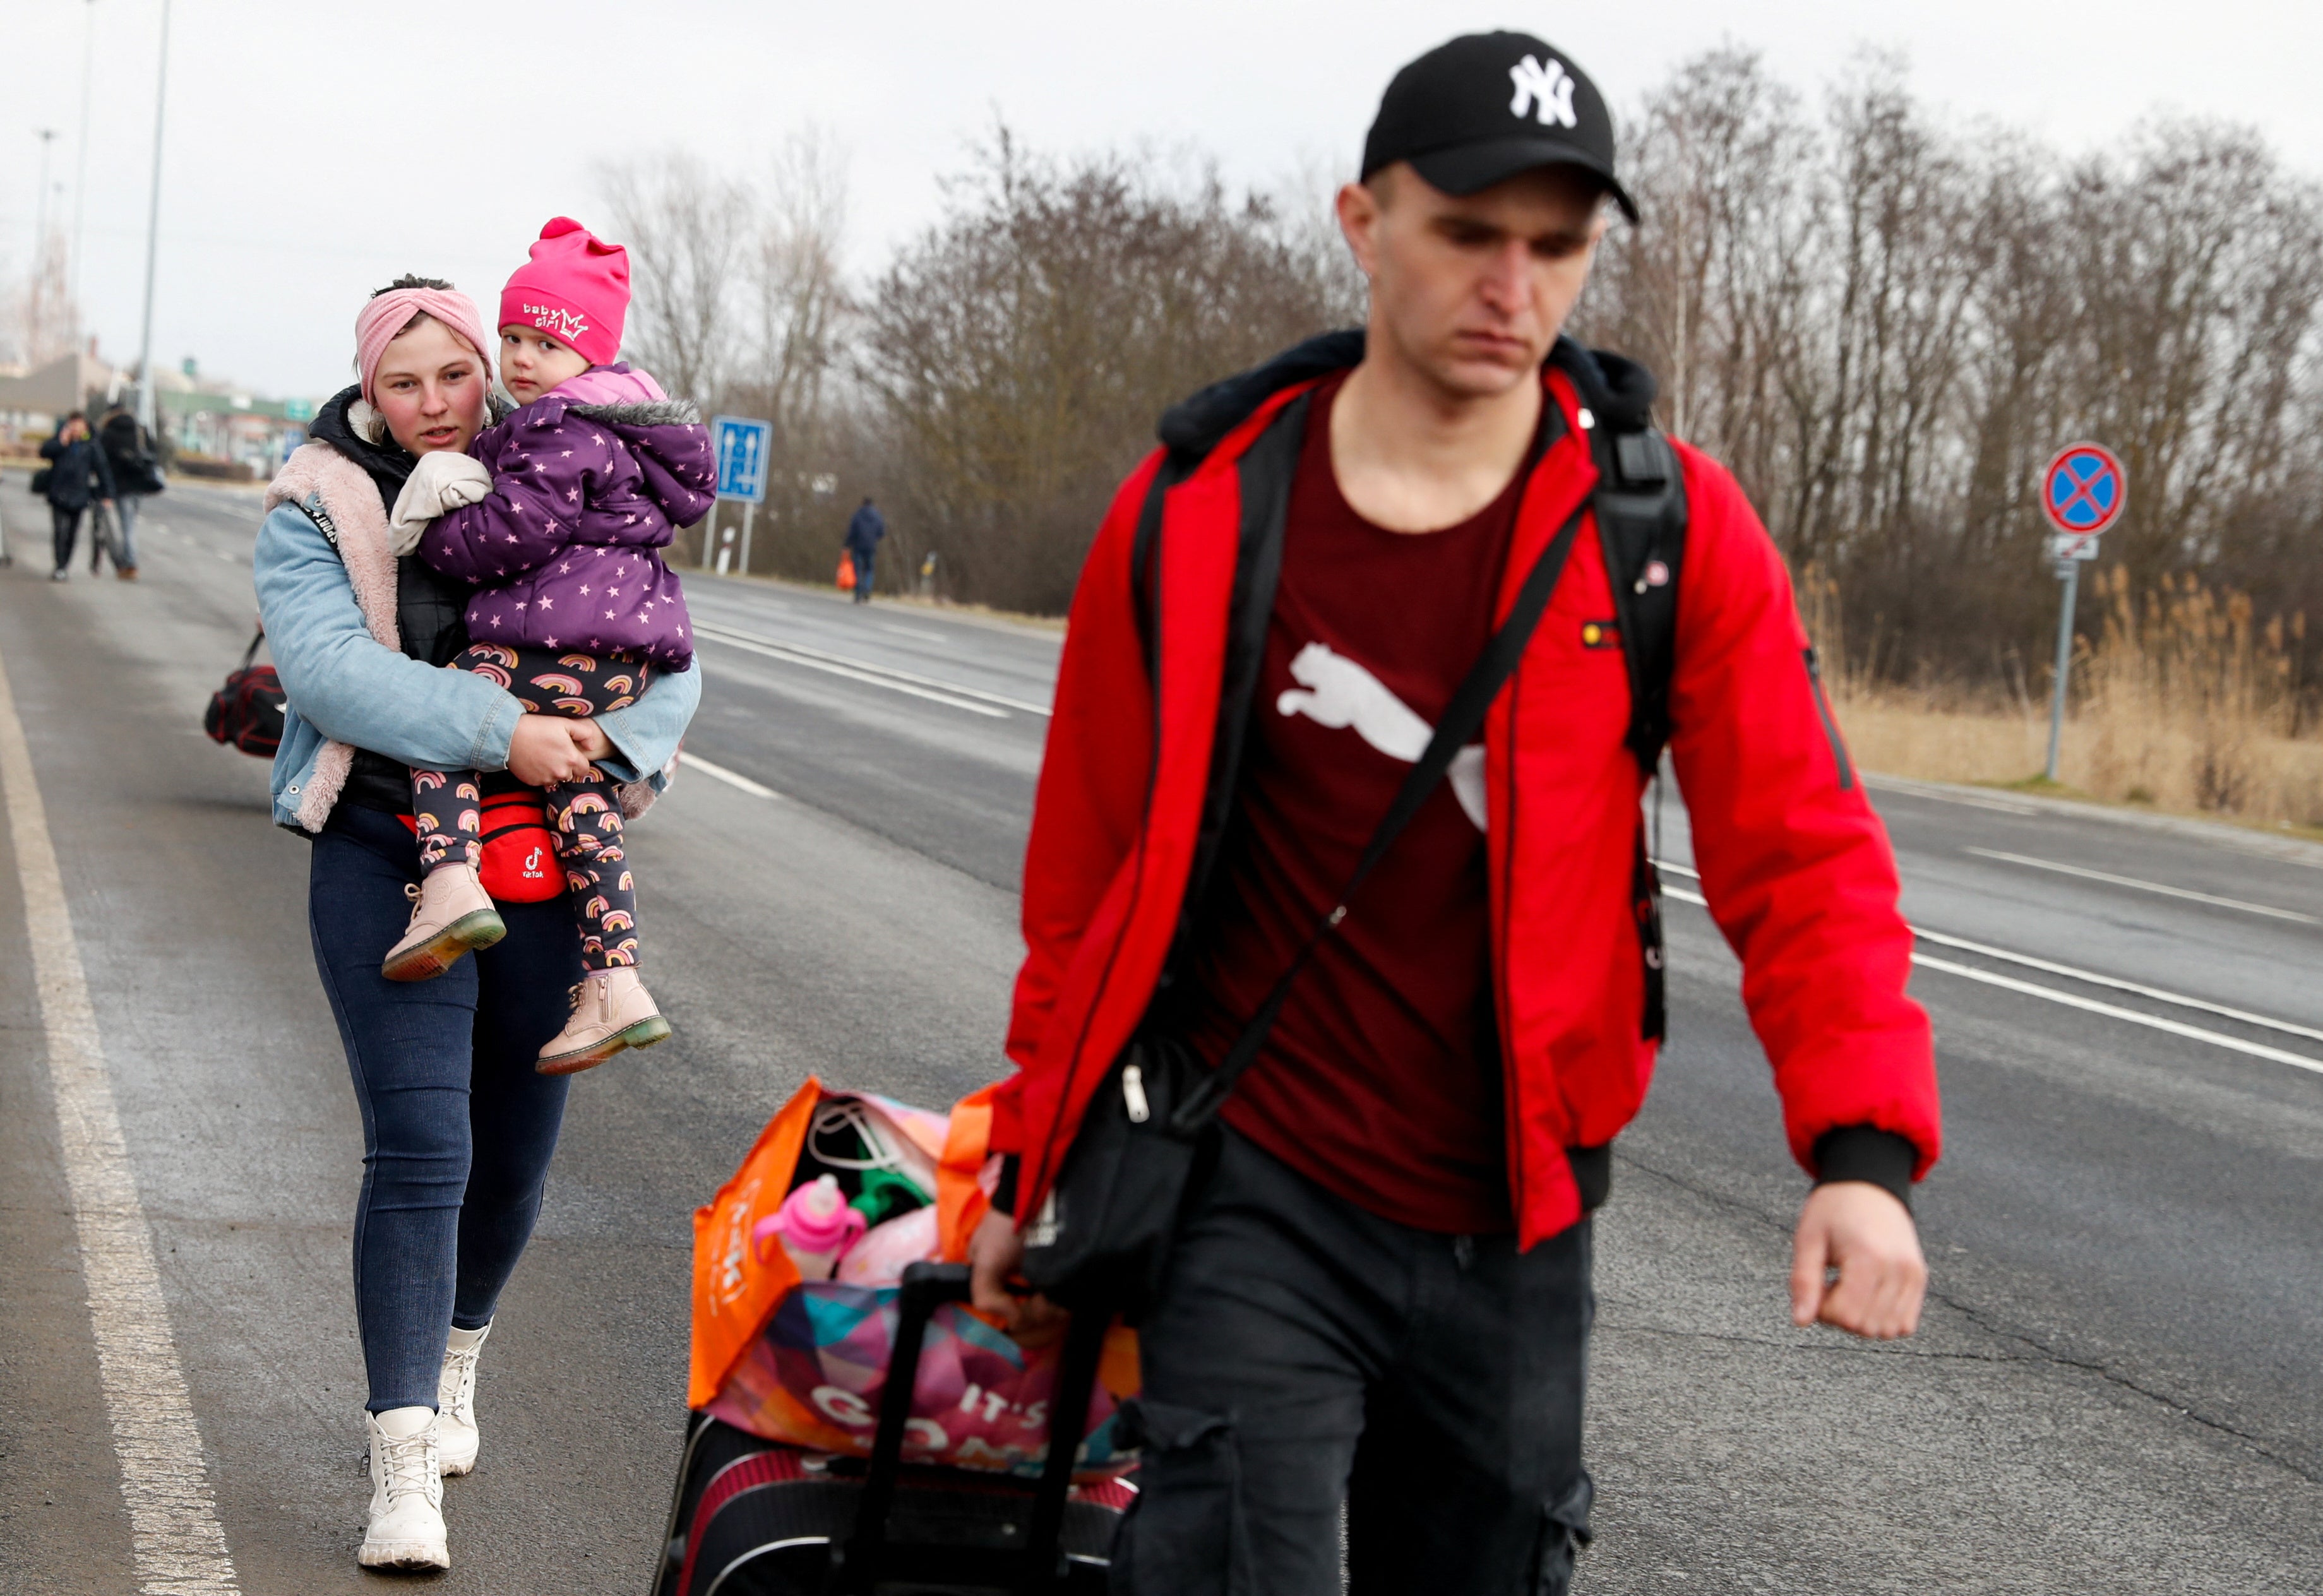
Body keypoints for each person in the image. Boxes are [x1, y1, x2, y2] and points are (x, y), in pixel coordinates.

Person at [968, 32, 1941, 1595]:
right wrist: (1028, 1162)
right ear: (1364, 223)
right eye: (1468, 233)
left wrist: (1859, 1153)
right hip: (1247, 1191)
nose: (1515, 285)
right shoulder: (1201, 509)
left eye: (1556, 248)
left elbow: (1802, 849)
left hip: (1515, 1215)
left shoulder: (1659, 527)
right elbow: (1084, 879)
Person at [253, 275, 700, 1572]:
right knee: (420, 1149)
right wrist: (504, 729)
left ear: (488, 374)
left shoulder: (551, 460)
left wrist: (604, 751)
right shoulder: (317, 503)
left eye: (458, 373)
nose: (436, 400)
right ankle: (401, 1470)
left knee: (511, 1159)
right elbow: (338, 676)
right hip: (384, 847)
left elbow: (666, 644)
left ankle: (457, 1363)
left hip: (540, 860)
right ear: (369, 392)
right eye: (406, 382)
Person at [381, 217, 713, 1075]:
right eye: (515, 337)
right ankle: (615, 980)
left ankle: (449, 880)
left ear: (590, 355)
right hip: (612, 665)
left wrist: (437, 540)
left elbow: (517, 531)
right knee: (581, 803)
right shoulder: (619, 428)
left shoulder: (558, 427)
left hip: (543, 646)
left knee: (449, 714)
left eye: (547, 343)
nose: (524, 359)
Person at [37, 410, 116, 581]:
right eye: (72, 425)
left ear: (85, 427)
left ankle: (65, 564)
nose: (75, 429)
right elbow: (43, 452)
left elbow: (103, 470)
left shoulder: (91, 445)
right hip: (58, 493)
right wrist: (61, 443)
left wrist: (108, 494)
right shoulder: (60, 440)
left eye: (78, 425)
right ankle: (59, 566)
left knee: (72, 533)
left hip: (79, 495)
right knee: (59, 531)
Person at [97, 405, 165, 578]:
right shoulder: (140, 431)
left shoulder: (109, 433)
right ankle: (127, 562)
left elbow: (100, 460)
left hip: (118, 486)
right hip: (138, 485)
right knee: (130, 524)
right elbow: (153, 454)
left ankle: (129, 563)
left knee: (122, 527)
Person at [844, 495, 885, 603]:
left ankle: (858, 593)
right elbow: (881, 533)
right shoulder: (878, 516)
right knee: (869, 570)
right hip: (871, 547)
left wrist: (847, 545)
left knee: (857, 569)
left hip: (858, 546)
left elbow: (852, 532)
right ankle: (867, 590)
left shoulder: (857, 515)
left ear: (862, 503)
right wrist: (873, 538)